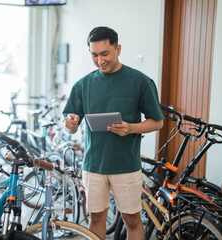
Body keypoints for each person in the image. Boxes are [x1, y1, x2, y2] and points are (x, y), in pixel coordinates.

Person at [62, 26, 164, 240]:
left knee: (132, 221)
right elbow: (69, 127)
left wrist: (131, 128)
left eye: (105, 54)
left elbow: (158, 123)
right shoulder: (83, 85)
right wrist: (70, 124)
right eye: (94, 55)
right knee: (96, 219)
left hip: (126, 166)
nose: (100, 61)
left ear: (118, 49)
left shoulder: (140, 82)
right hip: (93, 166)